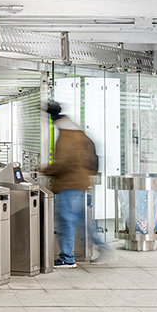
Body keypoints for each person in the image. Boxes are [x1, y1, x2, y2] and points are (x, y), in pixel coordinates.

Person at [41, 101, 109, 267]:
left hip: (68, 184)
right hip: (81, 182)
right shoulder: (78, 132)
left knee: (65, 222)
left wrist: (46, 170)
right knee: (82, 222)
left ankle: (66, 258)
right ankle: (104, 249)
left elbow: (64, 162)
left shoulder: (66, 136)